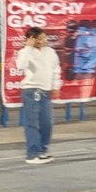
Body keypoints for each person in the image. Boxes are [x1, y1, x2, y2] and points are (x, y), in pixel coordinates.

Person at [15, 26, 61, 164]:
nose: (43, 40)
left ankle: (43, 150)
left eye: (44, 37)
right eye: (39, 39)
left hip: (45, 91)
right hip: (31, 90)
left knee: (47, 123)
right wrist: (28, 48)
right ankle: (32, 153)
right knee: (32, 123)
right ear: (32, 40)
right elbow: (21, 66)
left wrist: (55, 85)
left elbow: (55, 69)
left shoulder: (50, 52)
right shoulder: (25, 52)